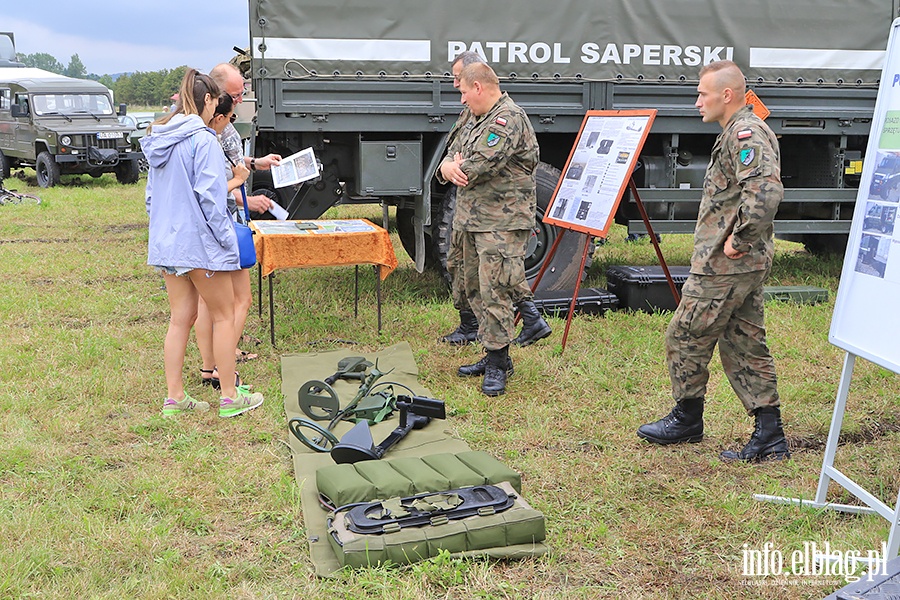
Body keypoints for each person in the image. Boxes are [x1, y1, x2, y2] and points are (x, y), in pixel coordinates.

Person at [636, 60, 789, 462]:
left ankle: (688, 419)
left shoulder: (745, 132)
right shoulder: (737, 131)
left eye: (702, 93)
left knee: (685, 335)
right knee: (744, 341)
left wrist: (739, 240)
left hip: (727, 265)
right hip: (737, 263)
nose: (696, 101)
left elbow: (766, 192)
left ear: (726, 94)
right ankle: (769, 433)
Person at [141, 68, 264, 418]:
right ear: (208, 100)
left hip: (167, 244)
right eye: (216, 101)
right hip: (200, 246)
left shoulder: (160, 137)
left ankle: (175, 397)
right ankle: (229, 396)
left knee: (180, 319)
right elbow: (210, 199)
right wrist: (226, 243)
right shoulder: (203, 140)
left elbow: (152, 200)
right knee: (225, 316)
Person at [436, 62, 538, 396]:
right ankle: (492, 352)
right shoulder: (475, 117)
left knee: (495, 289)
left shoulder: (507, 118)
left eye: (464, 91)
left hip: (501, 221)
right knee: (473, 287)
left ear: (479, 87)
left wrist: (454, 166)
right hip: (473, 218)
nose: (462, 99)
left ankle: (498, 364)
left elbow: (479, 164)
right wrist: (448, 165)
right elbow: (453, 153)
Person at [200, 62, 282, 365]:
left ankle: (213, 362)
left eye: (241, 94)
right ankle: (224, 361)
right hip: (224, 222)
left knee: (208, 305)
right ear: (216, 94)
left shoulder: (214, 125)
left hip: (216, 223)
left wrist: (255, 162)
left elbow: (230, 163)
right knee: (236, 301)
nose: (239, 100)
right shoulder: (210, 131)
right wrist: (245, 198)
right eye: (235, 96)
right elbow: (212, 183)